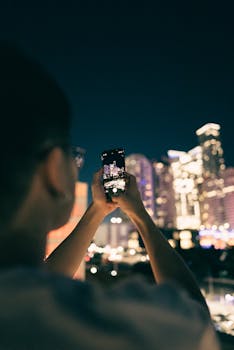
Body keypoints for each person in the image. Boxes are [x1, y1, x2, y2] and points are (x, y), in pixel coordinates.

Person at [0, 42, 220, 350]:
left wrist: (95, 212)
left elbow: (37, 279)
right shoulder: (112, 327)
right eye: (73, 156)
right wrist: (141, 218)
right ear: (53, 167)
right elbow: (195, 318)